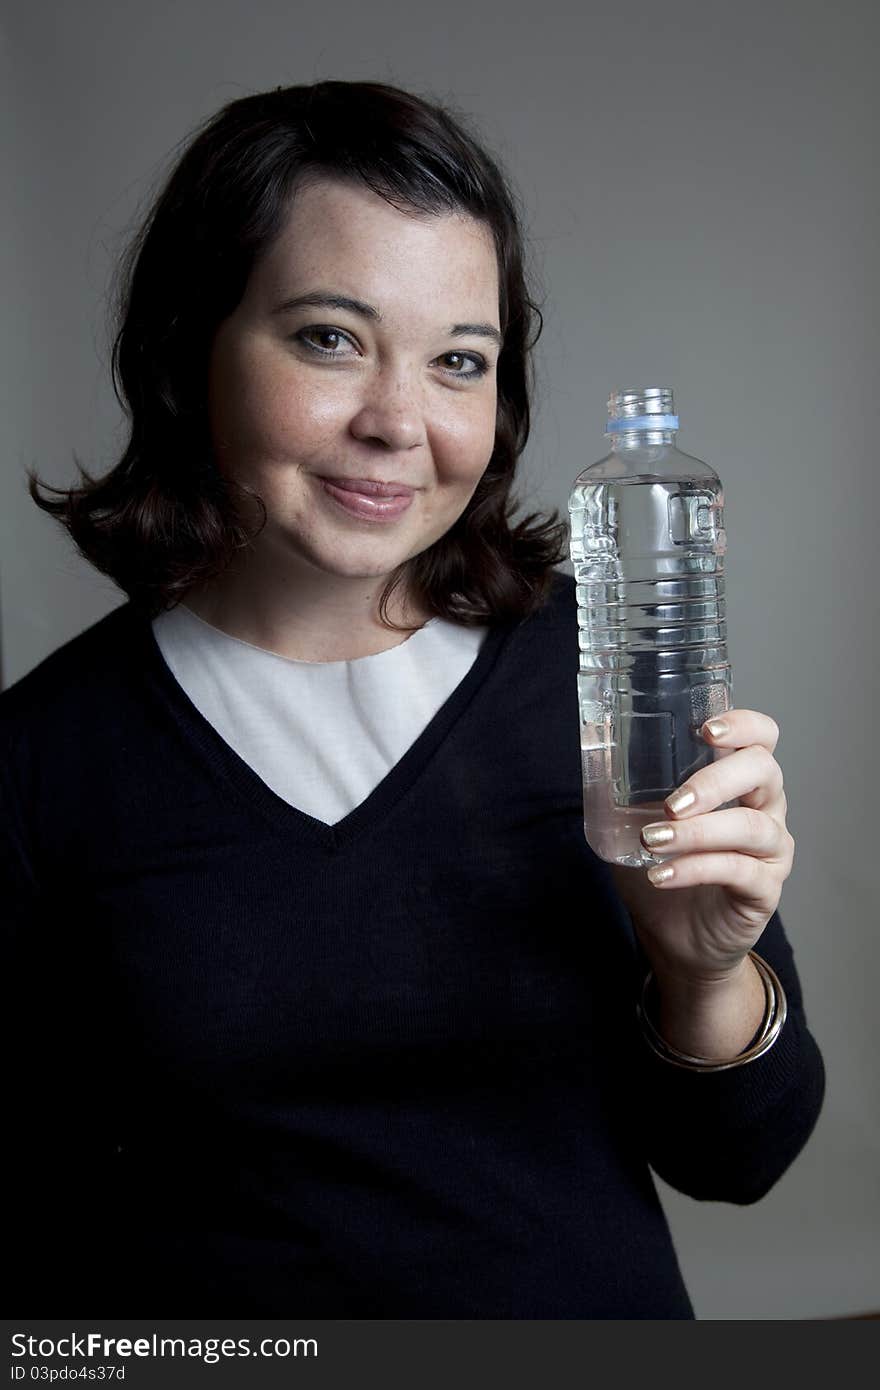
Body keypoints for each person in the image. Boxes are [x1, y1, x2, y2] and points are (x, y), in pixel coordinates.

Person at [4, 79, 824, 1319]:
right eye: (328, 338)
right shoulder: (43, 760)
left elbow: (738, 1161)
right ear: (191, 345)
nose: (398, 423)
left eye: (458, 362)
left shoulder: (596, 681)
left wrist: (703, 974)